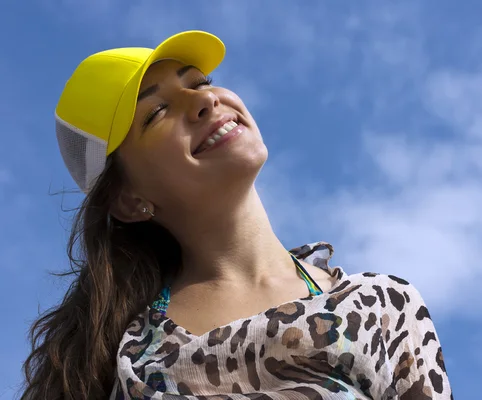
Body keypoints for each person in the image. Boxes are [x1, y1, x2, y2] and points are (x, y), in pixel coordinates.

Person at [21, 30, 453, 399]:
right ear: (129, 200)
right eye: (157, 112)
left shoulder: (382, 304)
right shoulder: (128, 358)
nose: (204, 99)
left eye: (200, 81)